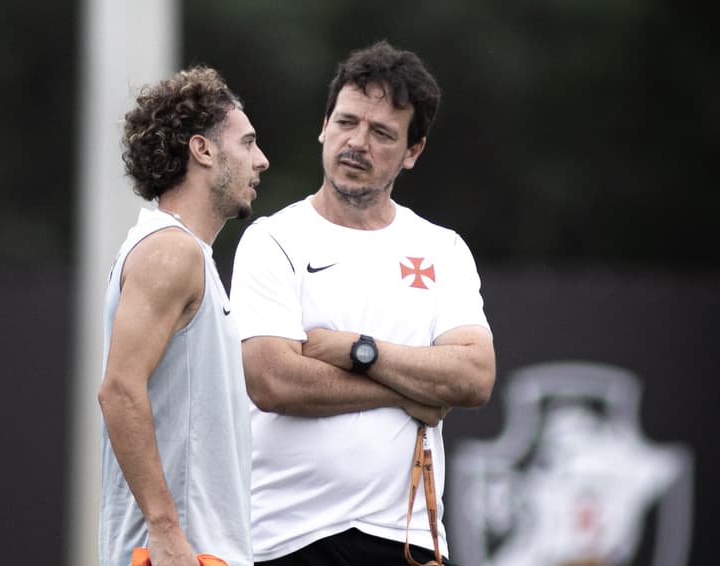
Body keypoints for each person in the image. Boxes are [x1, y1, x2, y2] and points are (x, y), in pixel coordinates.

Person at [229, 41, 495, 566]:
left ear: (413, 151)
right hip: (285, 539)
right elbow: (272, 380)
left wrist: (357, 349)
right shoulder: (272, 239)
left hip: (407, 539)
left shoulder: (442, 248)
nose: (357, 143)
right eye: (347, 122)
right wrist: (410, 391)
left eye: (382, 133)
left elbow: (474, 376)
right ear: (324, 125)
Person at [98, 66, 269, 566]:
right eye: (247, 143)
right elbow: (119, 390)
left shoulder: (188, 255)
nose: (261, 159)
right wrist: (166, 529)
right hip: (177, 554)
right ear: (203, 150)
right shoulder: (172, 252)